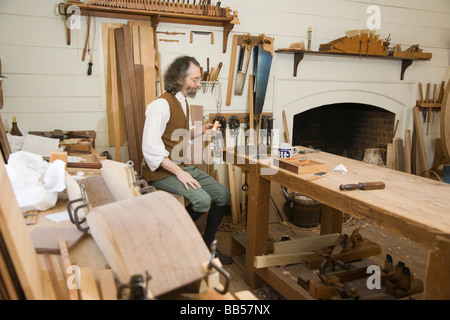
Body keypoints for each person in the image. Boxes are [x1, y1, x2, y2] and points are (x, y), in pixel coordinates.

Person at [141, 55, 232, 264]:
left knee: (223, 195)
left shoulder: (183, 102)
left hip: (180, 165)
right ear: (180, 79)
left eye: (199, 80)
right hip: (160, 171)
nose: (199, 84)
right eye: (195, 80)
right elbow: (150, 149)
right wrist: (179, 172)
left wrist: (201, 130)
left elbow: (178, 133)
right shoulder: (160, 105)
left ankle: (206, 246)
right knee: (202, 200)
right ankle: (176, 241)